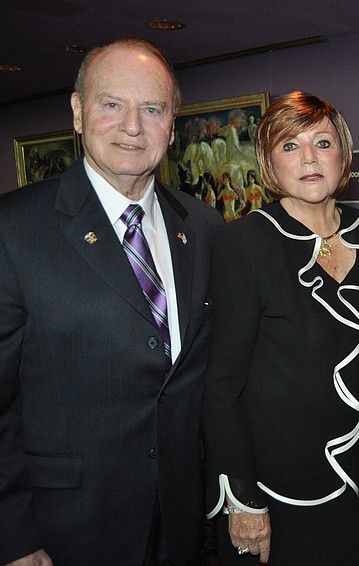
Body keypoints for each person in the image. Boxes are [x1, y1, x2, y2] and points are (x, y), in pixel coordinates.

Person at [0, 38, 222, 565]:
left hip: (179, 522)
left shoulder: (204, 226)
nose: (132, 127)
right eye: (112, 104)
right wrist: (12, 536)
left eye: (153, 109)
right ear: (78, 112)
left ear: (173, 125)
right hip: (62, 528)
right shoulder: (14, 229)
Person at [202, 91, 359, 565]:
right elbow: (222, 386)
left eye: (323, 142)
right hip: (282, 485)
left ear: (344, 154)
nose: (310, 158)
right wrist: (241, 498)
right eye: (290, 146)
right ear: (269, 163)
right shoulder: (242, 244)